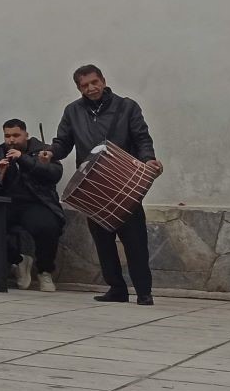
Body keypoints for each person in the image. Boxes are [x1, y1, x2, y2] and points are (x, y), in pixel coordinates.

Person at [45, 64, 161, 305]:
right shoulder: (72, 111)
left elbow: (142, 138)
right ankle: (117, 289)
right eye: (85, 85)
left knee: (135, 240)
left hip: (123, 182)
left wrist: (149, 160)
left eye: (94, 82)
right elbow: (63, 143)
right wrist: (51, 153)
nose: (91, 88)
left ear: (103, 80)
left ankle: (143, 292)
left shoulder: (127, 106)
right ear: (78, 88)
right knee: (103, 241)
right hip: (91, 186)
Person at [0, 120, 64, 291]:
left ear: (26, 135)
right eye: (7, 136)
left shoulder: (43, 151)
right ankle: (18, 261)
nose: (11, 140)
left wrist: (23, 159)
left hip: (36, 202)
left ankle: (45, 272)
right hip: (5, 203)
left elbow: (55, 173)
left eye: (16, 135)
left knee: (47, 226)